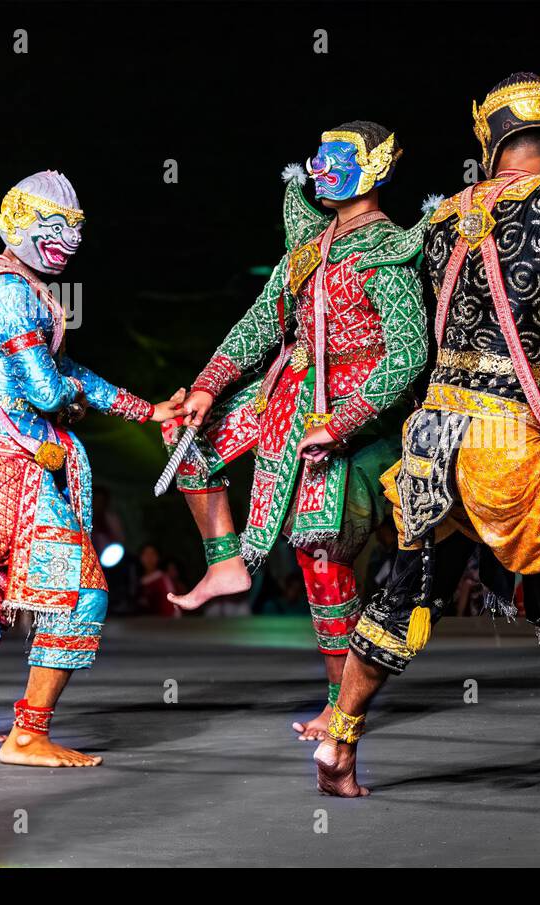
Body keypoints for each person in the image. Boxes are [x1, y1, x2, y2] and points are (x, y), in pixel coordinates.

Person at [315, 74, 540, 833]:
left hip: (433, 438)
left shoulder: (447, 217)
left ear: (494, 138)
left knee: (410, 588)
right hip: (506, 442)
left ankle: (340, 741)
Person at [164, 122, 428, 741]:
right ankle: (226, 561)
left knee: (318, 551)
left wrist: (342, 422)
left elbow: (409, 353)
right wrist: (207, 384)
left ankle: (342, 705)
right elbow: (259, 325)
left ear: (375, 170)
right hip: (282, 397)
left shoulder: (387, 252)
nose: (317, 168)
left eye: (334, 158)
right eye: (316, 156)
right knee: (185, 442)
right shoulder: (308, 249)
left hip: (346, 416)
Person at [0, 170, 184, 767]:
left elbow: (69, 373)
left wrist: (147, 408)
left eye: (77, 229)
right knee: (83, 593)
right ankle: (28, 734)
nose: (70, 240)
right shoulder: (9, 293)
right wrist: (75, 403)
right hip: (3, 471)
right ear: (19, 224)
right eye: (56, 226)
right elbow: (48, 392)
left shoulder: (8, 286)